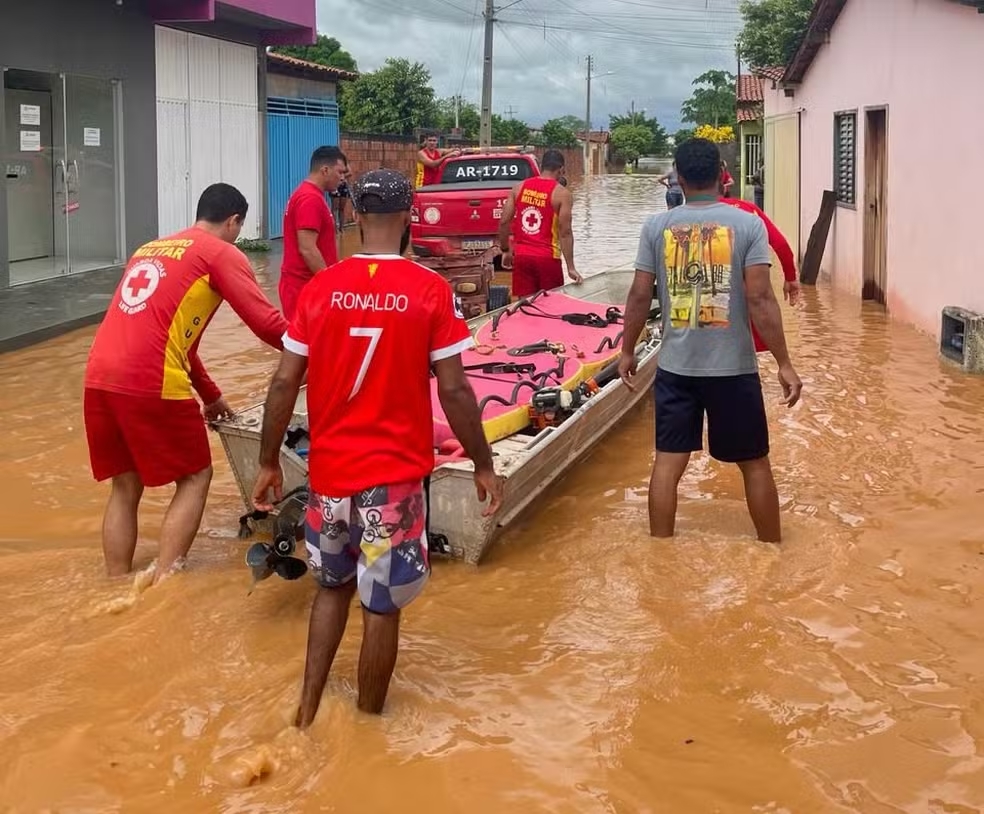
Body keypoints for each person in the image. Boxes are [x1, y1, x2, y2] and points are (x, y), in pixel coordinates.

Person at [252, 169, 503, 725]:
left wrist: (269, 460)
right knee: (382, 606)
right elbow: (457, 389)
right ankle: (367, 731)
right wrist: (483, 464)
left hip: (329, 478)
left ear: (356, 218)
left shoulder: (320, 289)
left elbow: (282, 384)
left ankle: (307, 711)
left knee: (330, 590)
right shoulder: (430, 290)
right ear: (409, 217)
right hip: (392, 485)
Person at [84, 183, 289, 584]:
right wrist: (323, 350)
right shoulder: (221, 252)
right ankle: (165, 582)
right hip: (149, 380)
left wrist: (212, 397)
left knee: (125, 486)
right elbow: (267, 324)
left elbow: (179, 342)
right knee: (196, 475)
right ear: (234, 221)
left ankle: (114, 583)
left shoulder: (151, 248)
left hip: (98, 378)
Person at [618, 138, 803, 543]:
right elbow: (760, 297)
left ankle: (660, 555)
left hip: (675, 368)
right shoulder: (747, 223)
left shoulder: (656, 227)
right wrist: (784, 363)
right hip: (733, 368)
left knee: (667, 464)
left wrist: (627, 349)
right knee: (754, 464)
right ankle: (773, 551)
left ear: (678, 178)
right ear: (722, 174)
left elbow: (637, 294)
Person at [719, 195, 801, 352]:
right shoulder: (749, 210)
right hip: (744, 289)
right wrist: (790, 277)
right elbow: (780, 244)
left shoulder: (688, 214)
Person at [497, 149, 583, 297]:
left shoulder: (518, 188)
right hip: (548, 259)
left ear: (542, 166)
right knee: (551, 306)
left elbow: (504, 221)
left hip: (522, 257)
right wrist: (571, 267)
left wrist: (505, 250)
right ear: (561, 169)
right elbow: (565, 232)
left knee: (525, 306)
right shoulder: (562, 194)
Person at [279, 146, 349, 321]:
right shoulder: (310, 199)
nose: (342, 178)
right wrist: (330, 285)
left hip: (304, 286)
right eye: (339, 172)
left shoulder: (308, 194)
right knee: (308, 345)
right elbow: (307, 248)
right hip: (304, 288)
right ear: (325, 170)